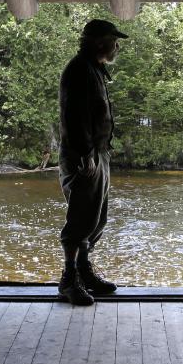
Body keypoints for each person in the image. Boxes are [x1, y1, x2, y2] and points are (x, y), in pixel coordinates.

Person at [56, 19, 128, 305]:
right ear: (100, 42)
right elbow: (73, 115)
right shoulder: (78, 70)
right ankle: (68, 279)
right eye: (114, 40)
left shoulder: (94, 69)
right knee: (80, 218)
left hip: (97, 154)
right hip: (83, 156)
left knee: (96, 219)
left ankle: (84, 272)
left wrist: (97, 153)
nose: (117, 46)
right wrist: (85, 154)